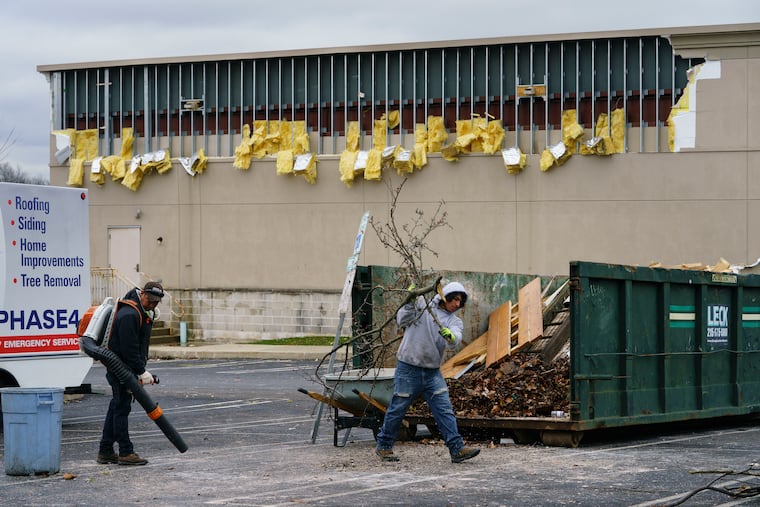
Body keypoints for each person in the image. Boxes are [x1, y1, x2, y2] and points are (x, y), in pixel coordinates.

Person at [375, 281, 480, 463]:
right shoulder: (422, 305)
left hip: (432, 373)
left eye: (460, 302)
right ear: (444, 296)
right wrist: (410, 301)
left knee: (444, 410)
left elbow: (456, 339)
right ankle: (384, 446)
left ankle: (456, 449)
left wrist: (451, 336)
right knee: (398, 408)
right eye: (454, 299)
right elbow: (401, 320)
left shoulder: (454, 321)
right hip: (408, 367)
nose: (457, 304)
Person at [97, 281, 164, 466]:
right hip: (121, 368)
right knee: (121, 408)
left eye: (155, 303)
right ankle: (125, 451)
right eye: (150, 301)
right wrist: (141, 371)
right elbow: (130, 349)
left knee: (117, 406)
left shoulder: (137, 310)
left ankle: (106, 450)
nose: (152, 305)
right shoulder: (130, 315)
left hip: (121, 367)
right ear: (141, 294)